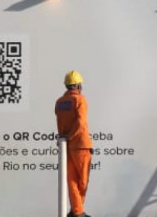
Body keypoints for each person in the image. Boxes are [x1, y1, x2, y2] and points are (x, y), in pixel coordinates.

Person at [55, 70, 92, 217]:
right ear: (78, 85)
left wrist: (65, 137)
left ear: (66, 85)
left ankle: (76, 210)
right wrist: (71, 136)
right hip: (81, 145)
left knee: (71, 180)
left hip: (67, 146)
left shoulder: (59, 102)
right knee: (82, 181)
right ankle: (78, 212)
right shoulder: (80, 100)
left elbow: (60, 121)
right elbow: (81, 121)